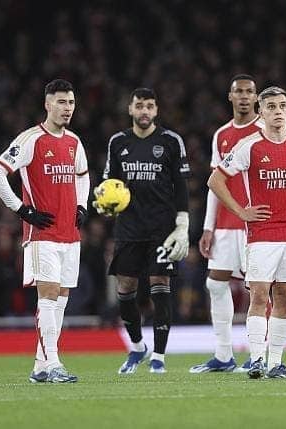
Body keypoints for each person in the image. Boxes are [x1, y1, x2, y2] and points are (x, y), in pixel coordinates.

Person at [208, 86, 286, 379]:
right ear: (261, 112)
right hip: (261, 233)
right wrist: (241, 212)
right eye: (271, 107)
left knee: (284, 294)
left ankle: (275, 363)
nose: (278, 111)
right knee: (260, 295)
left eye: (282, 106)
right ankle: (256, 360)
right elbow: (215, 181)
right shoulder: (249, 146)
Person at [0, 79, 89, 383]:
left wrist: (82, 205)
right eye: (61, 102)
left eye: (71, 102)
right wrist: (22, 210)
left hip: (70, 234)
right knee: (49, 295)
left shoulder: (74, 141)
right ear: (47, 104)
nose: (67, 108)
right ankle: (54, 364)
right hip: (42, 234)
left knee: (62, 297)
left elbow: (83, 175)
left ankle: (41, 367)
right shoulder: (31, 139)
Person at [99, 87, 190, 375]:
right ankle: (138, 347)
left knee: (159, 285)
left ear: (156, 110)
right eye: (139, 106)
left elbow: (181, 185)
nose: (144, 111)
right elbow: (109, 183)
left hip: (162, 228)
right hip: (128, 227)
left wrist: (183, 223)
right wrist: (104, 203)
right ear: (130, 109)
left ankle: (159, 357)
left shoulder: (171, 141)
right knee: (125, 288)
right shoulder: (118, 142)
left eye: (149, 106)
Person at [190, 74, 264, 373]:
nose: (244, 96)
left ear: (256, 97)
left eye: (249, 92)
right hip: (225, 223)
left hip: (255, 222)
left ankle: (261, 354)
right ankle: (223, 356)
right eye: (239, 92)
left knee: (259, 288)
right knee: (215, 283)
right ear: (230, 96)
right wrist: (208, 227)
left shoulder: (265, 130)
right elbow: (214, 184)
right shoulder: (221, 134)